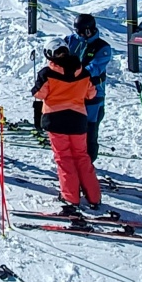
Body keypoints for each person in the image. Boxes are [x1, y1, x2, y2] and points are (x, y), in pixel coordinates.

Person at [32, 38, 101, 208]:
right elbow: (91, 94)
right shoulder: (83, 72)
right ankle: (94, 196)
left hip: (55, 120)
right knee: (82, 157)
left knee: (64, 158)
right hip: (78, 120)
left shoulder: (47, 73)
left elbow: (39, 94)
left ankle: (71, 197)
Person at [64, 13, 112, 162]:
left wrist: (74, 72)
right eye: (76, 31)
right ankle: (71, 159)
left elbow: (95, 68)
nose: (78, 34)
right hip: (71, 93)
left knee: (90, 129)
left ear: (89, 30)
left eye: (80, 31)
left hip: (93, 95)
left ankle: (88, 162)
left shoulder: (102, 47)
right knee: (71, 127)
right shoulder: (71, 40)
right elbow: (59, 55)